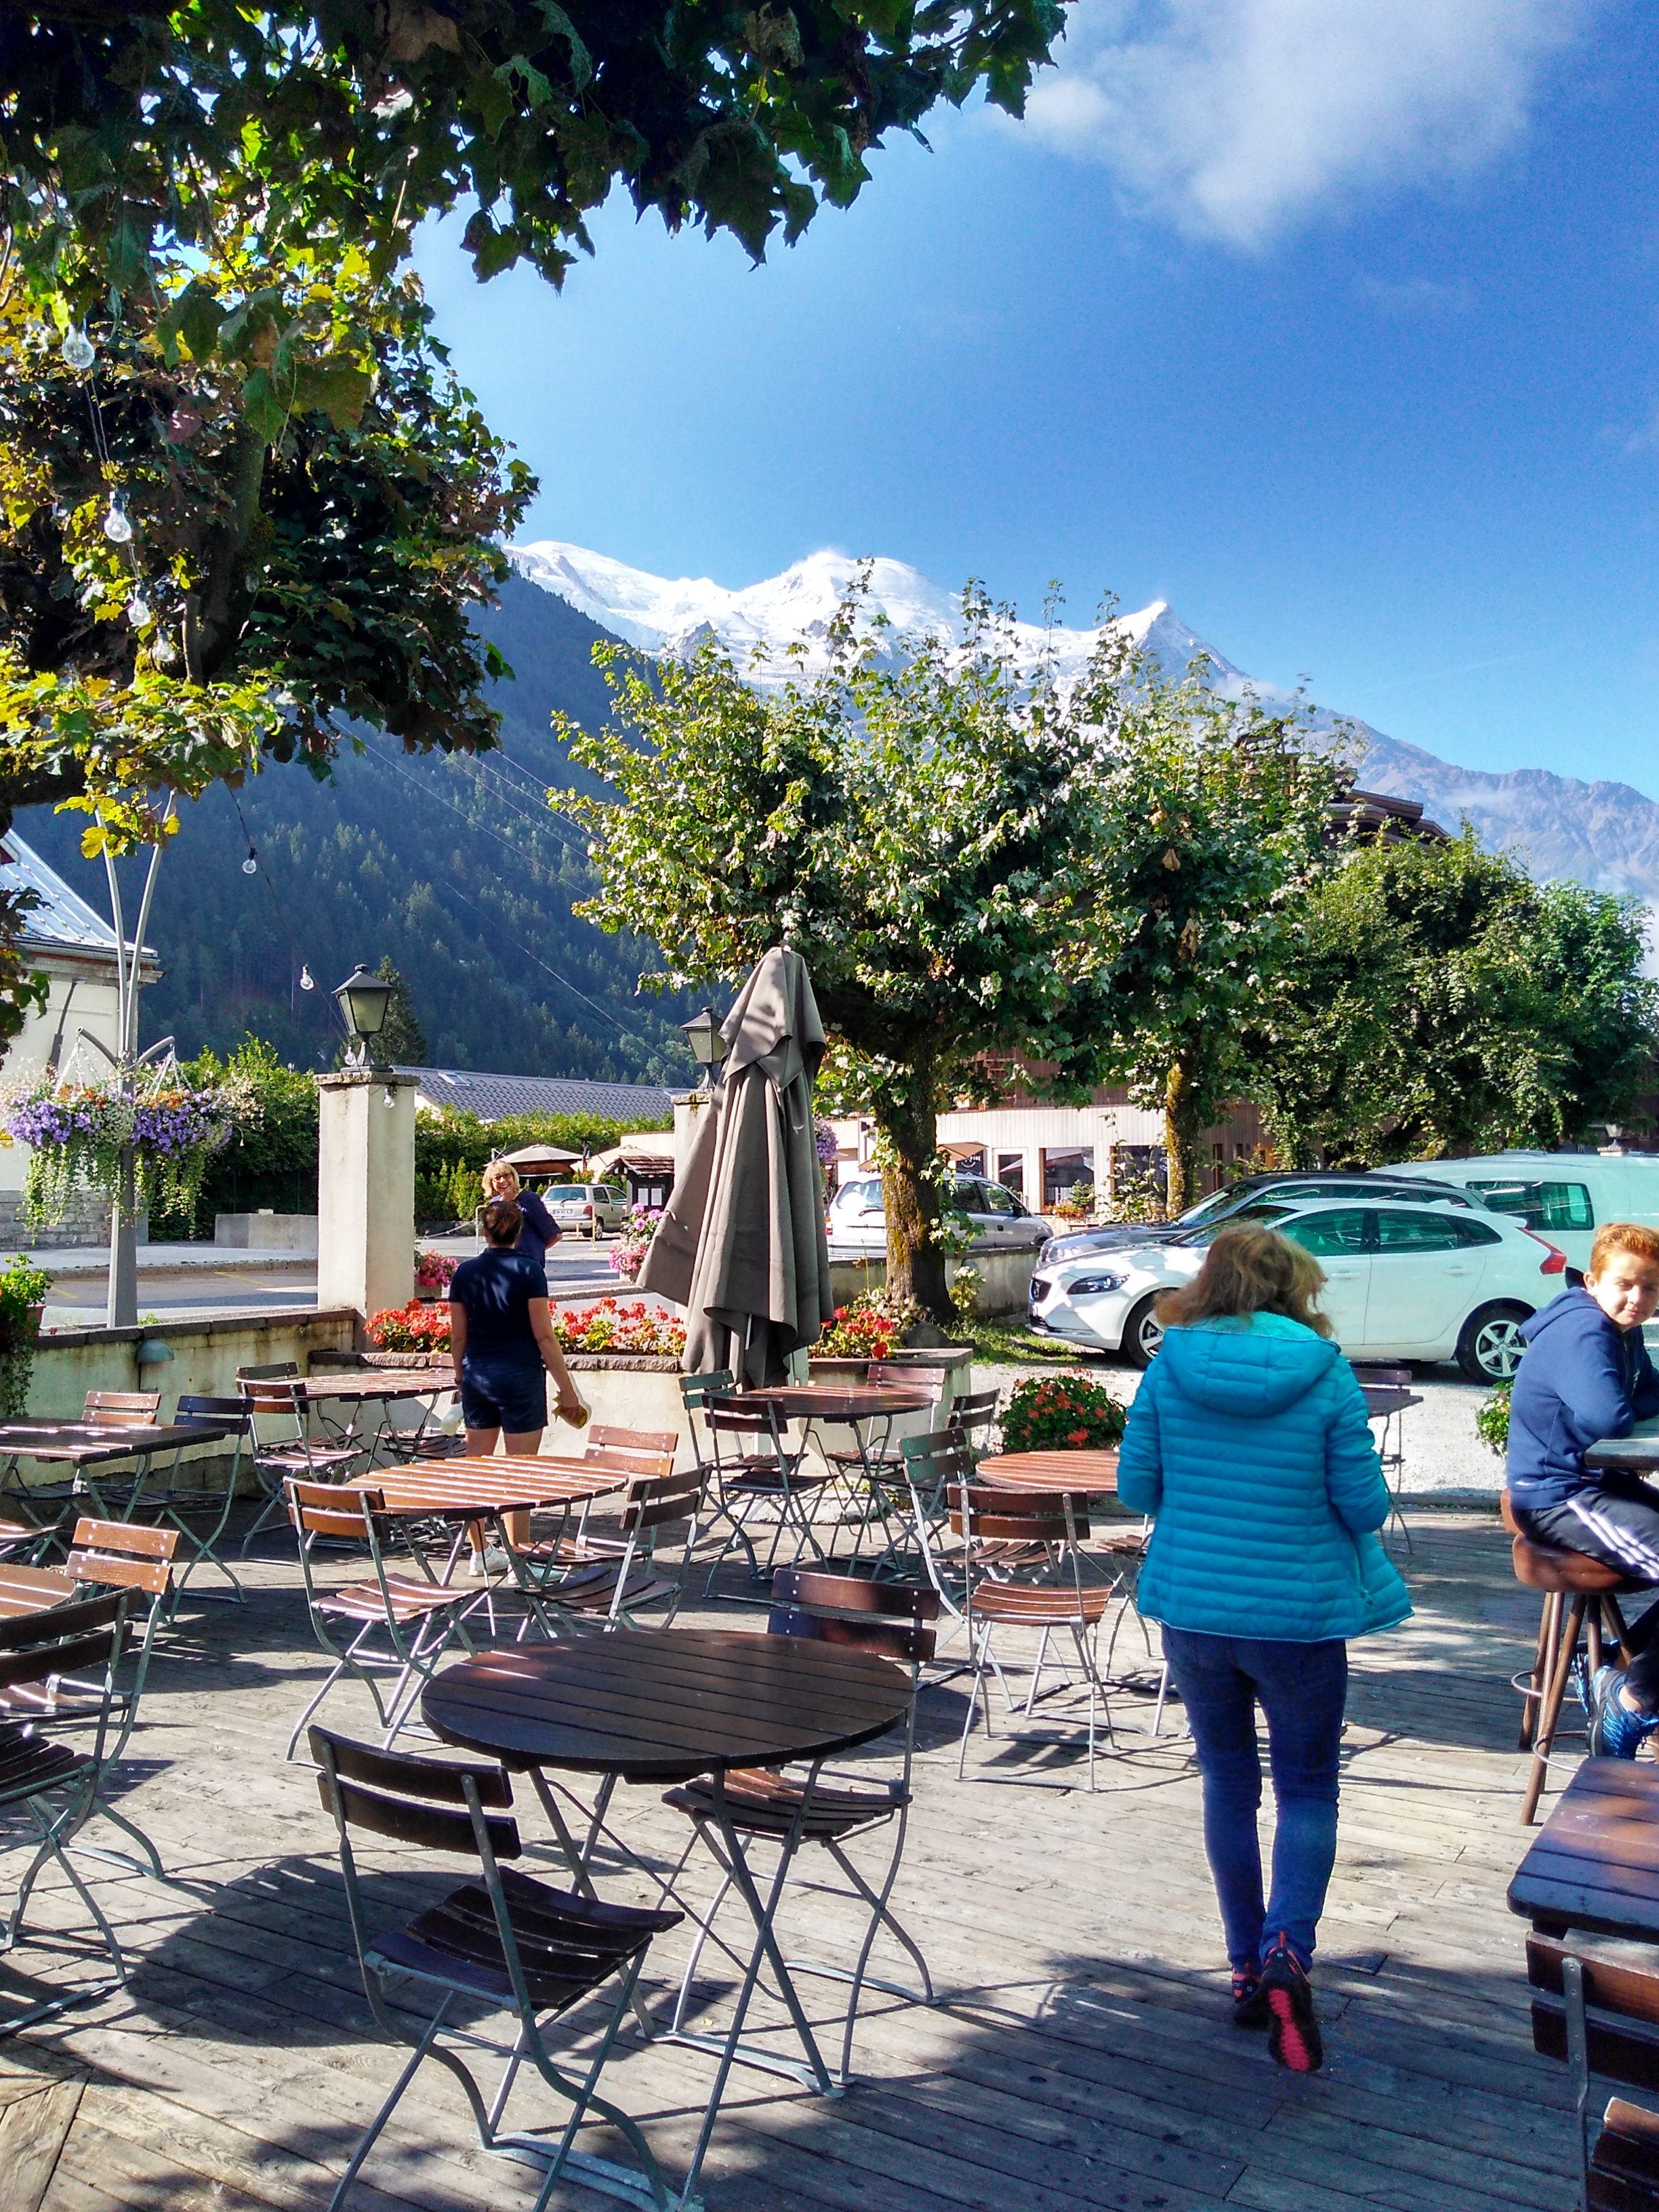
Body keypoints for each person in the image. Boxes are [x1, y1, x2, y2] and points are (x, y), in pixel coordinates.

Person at [1118, 1223, 1406, 2075]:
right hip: (1299, 1620)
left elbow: (1137, 1488)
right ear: (1293, 1288)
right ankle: (1288, 1950)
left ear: (1209, 1285)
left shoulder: (1169, 1364)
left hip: (1196, 1615)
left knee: (1228, 1785)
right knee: (1307, 1788)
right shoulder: (1326, 1371)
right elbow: (1365, 1508)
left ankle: (1245, 1967)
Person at [1506, 1221, 1659, 1757]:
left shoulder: (1622, 1329)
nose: (1637, 1297)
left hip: (1594, 1483)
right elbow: (1609, 1419)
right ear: (1592, 1282)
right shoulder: (1585, 1331)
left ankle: (1617, 1662)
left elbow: (1648, 1394)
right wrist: (1629, 1403)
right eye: (1625, 1284)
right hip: (1558, 1495)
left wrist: (1629, 1401)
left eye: (1649, 1287)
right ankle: (1633, 1699)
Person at [448, 1195, 586, 1574]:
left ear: (485, 1231)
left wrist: (460, 1379)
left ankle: (480, 1553)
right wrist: (567, 1389)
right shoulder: (529, 1271)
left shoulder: (464, 1273)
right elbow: (544, 1337)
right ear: (519, 1231)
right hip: (521, 1377)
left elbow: (458, 1337)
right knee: (520, 1473)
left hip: (477, 1376)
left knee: (476, 1469)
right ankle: (520, 1560)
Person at [480, 1159, 561, 1267]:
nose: (503, 1181)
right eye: (497, 1178)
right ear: (491, 1182)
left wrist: (534, 1253)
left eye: (506, 1175)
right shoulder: (494, 1204)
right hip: (501, 1266)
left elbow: (555, 1235)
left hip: (527, 1267)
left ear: (513, 1176)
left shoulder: (529, 1200)